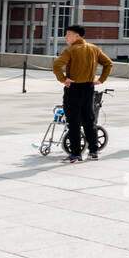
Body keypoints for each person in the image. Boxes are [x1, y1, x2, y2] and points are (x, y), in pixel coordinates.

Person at [51, 24, 113, 163]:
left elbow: (56, 65)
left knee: (73, 122)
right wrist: (101, 80)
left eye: (68, 34)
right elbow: (108, 63)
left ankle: (76, 154)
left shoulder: (71, 50)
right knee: (89, 120)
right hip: (89, 88)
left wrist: (63, 79)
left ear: (77, 36)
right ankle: (93, 151)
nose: (66, 37)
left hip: (73, 88)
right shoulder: (94, 48)